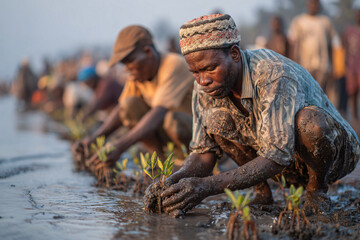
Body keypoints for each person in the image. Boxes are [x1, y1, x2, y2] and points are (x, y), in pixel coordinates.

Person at [146, 14, 360, 216]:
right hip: (282, 160)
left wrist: (205, 186)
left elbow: (277, 156)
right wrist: (173, 182)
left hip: (333, 154)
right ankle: (262, 193)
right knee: (216, 121)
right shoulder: (204, 87)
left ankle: (317, 191)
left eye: (210, 68)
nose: (203, 81)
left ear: (235, 54)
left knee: (309, 122)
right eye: (196, 72)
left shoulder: (273, 74)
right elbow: (203, 153)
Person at [72, 25, 194, 167]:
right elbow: (122, 108)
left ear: (148, 52)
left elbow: (158, 113)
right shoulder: (139, 74)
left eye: (129, 61)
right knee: (130, 106)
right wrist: (95, 138)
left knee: (172, 120)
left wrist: (120, 146)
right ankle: (162, 162)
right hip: (168, 136)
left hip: (193, 136)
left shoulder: (173, 64)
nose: (127, 68)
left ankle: (190, 162)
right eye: (124, 64)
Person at [288, 0, 340, 93]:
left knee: (321, 92)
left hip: (322, 64)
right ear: (308, 5)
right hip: (305, 64)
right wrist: (294, 64)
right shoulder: (299, 21)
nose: (314, 6)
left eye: (316, 4)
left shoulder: (325, 21)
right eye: (312, 3)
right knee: (307, 92)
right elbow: (294, 44)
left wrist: (332, 66)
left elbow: (330, 45)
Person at [343, 9, 360, 123]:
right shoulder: (350, 31)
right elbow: (345, 46)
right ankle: (354, 118)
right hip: (352, 65)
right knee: (352, 92)